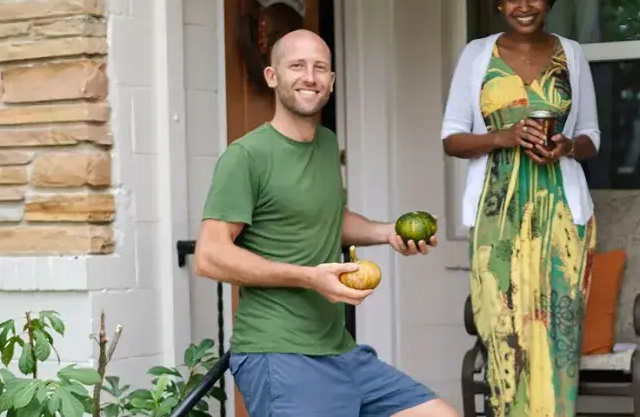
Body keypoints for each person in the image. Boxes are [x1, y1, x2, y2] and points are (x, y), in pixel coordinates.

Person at [195, 29, 460, 417]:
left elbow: (329, 219)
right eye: (297, 66)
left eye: (320, 68)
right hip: (281, 352)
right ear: (272, 76)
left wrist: (386, 233)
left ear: (331, 82)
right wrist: (309, 276)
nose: (310, 77)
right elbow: (210, 256)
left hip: (339, 349)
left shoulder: (325, 145)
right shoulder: (246, 156)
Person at [440, 0, 601, 417]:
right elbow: (451, 138)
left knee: (558, 346)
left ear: (547, 0)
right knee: (504, 340)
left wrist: (566, 147)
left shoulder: (571, 53)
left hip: (564, 218)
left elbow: (592, 136)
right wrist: (503, 137)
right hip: (497, 217)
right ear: (499, 4)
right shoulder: (477, 54)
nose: (524, 5)